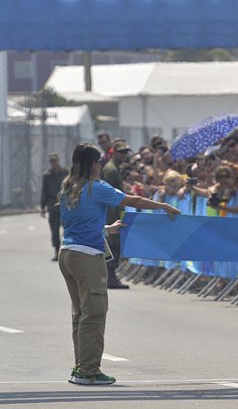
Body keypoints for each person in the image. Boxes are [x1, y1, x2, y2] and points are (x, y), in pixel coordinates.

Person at [58, 143, 180, 385]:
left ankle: (80, 367)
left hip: (68, 253)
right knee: (94, 313)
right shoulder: (97, 187)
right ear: (92, 164)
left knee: (81, 314)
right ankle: (89, 371)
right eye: (99, 161)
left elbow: (76, 225)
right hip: (87, 257)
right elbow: (132, 200)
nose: (101, 165)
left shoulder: (68, 187)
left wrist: (105, 228)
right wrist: (162, 206)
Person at [101, 141, 132, 289]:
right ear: (114, 152)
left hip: (114, 211)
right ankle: (110, 277)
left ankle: (111, 276)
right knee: (112, 245)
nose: (124, 155)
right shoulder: (111, 170)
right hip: (111, 213)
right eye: (121, 152)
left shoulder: (115, 169)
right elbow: (108, 194)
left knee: (114, 245)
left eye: (126, 152)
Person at [40, 153, 68, 261]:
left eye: (55, 160)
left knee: (67, 230)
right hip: (52, 206)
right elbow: (44, 192)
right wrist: (43, 207)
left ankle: (67, 252)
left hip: (65, 205)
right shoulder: (47, 175)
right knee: (55, 231)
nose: (53, 163)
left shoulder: (65, 172)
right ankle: (57, 252)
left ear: (58, 161)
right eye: (51, 161)